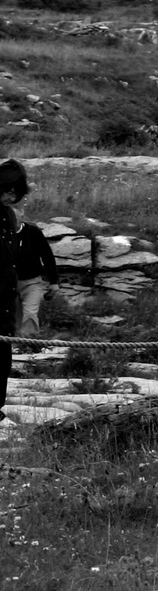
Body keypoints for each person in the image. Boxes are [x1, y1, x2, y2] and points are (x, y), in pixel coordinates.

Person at [0, 160, 20, 415]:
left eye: (16, 193)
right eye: (8, 191)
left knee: (2, 358)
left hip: (5, 301)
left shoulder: (9, 215)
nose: (12, 197)